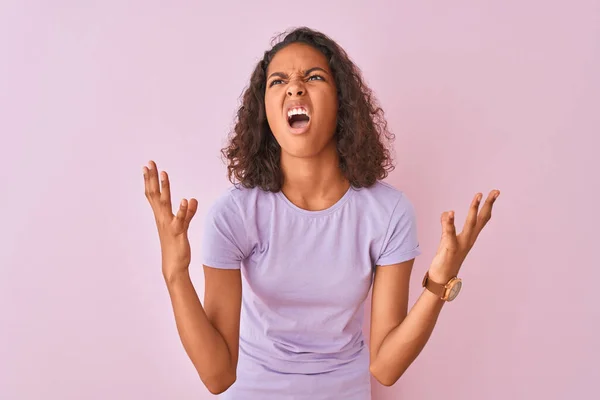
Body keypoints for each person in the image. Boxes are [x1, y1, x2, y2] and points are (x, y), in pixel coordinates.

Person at [142, 27, 500, 400]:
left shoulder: (388, 212)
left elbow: (386, 367)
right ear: (264, 111)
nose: (295, 88)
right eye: (278, 81)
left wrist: (441, 280)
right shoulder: (234, 214)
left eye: (313, 77)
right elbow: (217, 376)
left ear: (342, 102)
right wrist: (175, 273)